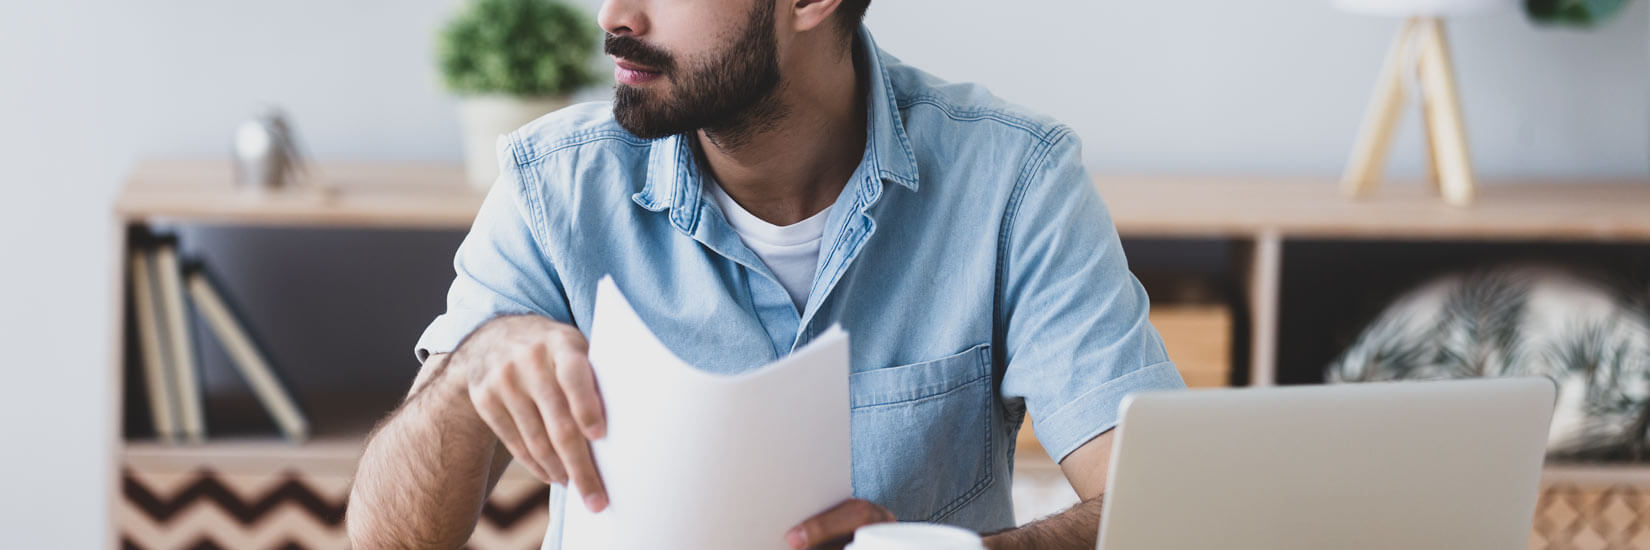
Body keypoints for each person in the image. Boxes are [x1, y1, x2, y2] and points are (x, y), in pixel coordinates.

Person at [347, 0, 1183, 548]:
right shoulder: (554, 186)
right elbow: (385, 538)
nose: (614, 16)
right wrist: (474, 368)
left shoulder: (1013, 181)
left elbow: (1163, 514)